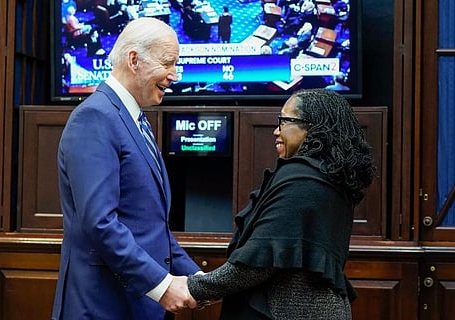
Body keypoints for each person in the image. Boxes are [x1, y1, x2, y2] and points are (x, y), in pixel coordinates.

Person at [52, 17, 200, 320]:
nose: (174, 75)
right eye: (168, 63)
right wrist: (161, 285)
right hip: (103, 307)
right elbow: (100, 224)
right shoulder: (95, 117)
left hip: (134, 306)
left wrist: (200, 281)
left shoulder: (135, 120)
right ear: (134, 60)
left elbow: (149, 226)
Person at [187, 88, 376, 319]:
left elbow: (258, 262)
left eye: (285, 121)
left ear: (314, 126)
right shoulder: (330, 178)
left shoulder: (301, 178)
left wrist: (194, 288)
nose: (276, 131)